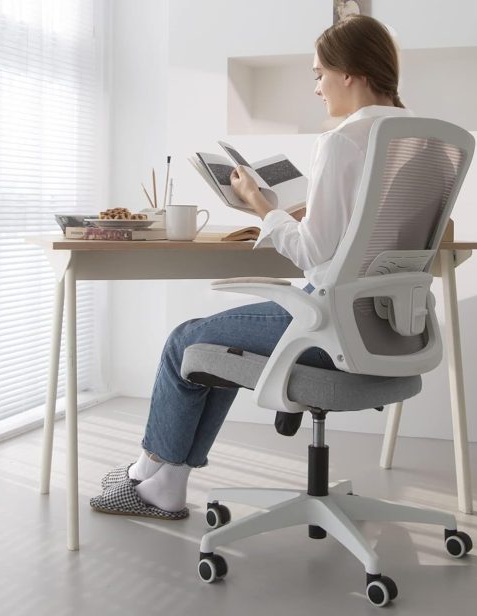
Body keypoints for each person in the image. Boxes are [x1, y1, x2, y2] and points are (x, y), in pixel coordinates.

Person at [90, 15, 413, 520]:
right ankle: (160, 479)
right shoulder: (418, 141)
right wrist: (307, 212)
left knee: (187, 341)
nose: (316, 87)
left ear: (348, 73)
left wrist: (261, 205)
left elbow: (312, 253)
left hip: (332, 327)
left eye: (318, 74)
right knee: (211, 345)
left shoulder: (344, 140)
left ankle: (145, 477)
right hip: (396, 329)